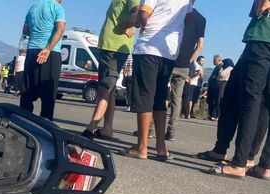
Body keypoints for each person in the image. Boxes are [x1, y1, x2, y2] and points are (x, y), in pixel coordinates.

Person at [207, 0, 270, 180]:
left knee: (252, 97)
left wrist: (262, 6)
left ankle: (239, 163)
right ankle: (265, 166)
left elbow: (263, 5)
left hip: (267, 35)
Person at [123, 0, 192, 160]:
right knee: (160, 98)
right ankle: (161, 147)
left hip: (149, 46)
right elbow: (188, 18)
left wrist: (138, 22)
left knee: (145, 96)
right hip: (169, 51)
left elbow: (144, 14)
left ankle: (142, 147)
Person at [82, 0, 139, 140]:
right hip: (109, 46)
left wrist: (125, 25)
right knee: (110, 89)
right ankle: (107, 128)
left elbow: (137, 12)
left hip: (114, 48)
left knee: (105, 89)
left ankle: (91, 128)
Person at [20, 0, 67, 121]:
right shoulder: (57, 8)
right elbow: (60, 29)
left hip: (32, 51)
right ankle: (44, 128)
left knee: (27, 93)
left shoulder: (33, 7)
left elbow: (25, 31)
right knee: (48, 96)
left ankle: (23, 123)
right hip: (50, 53)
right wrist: (47, 48)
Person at [166, 1, 205, 141]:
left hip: (169, 58)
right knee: (177, 98)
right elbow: (200, 45)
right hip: (184, 64)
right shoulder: (201, 19)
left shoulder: (176, 12)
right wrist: (190, 60)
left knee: (160, 94)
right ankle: (171, 129)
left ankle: (151, 128)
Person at [206, 55, 223, 120]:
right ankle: (211, 115)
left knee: (214, 101)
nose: (213, 62)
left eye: (214, 60)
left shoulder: (220, 67)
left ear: (218, 60)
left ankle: (214, 115)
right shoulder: (216, 67)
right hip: (211, 87)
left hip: (215, 87)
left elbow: (218, 78)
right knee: (210, 101)